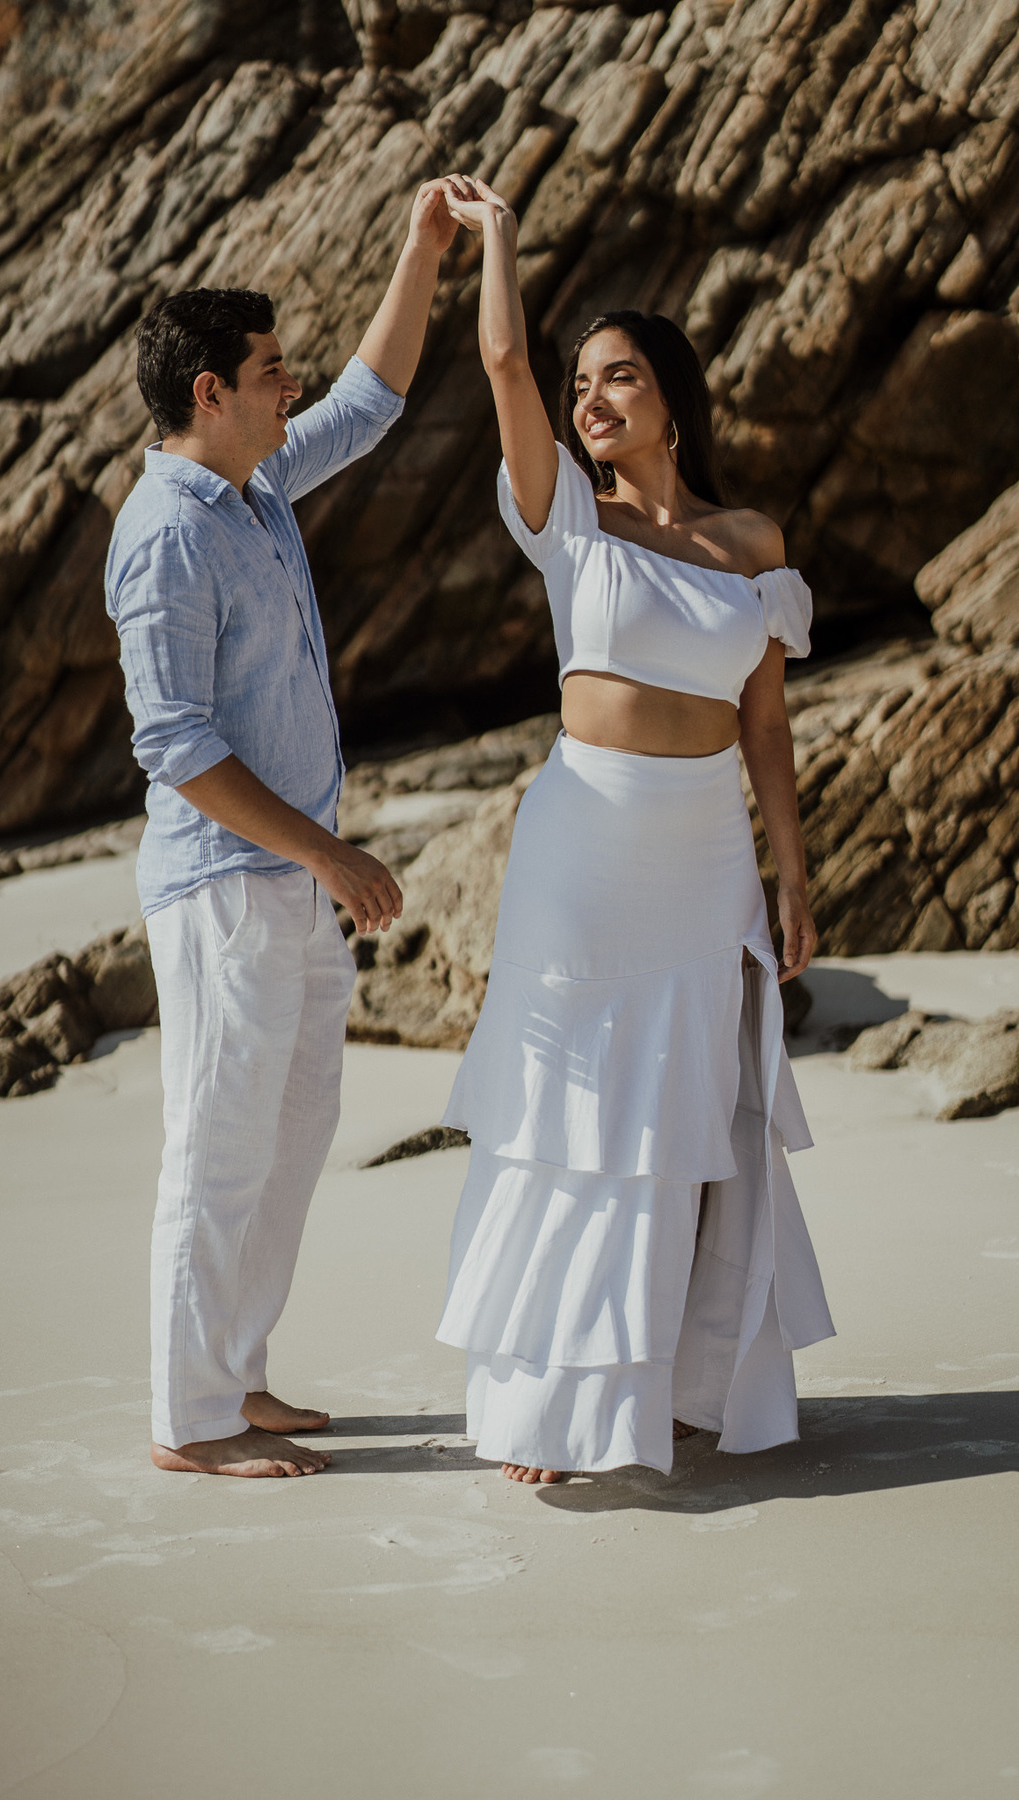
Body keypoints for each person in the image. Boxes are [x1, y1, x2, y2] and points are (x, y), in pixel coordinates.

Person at [435, 176, 835, 1485]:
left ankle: (654, 1383)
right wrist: (496, 235)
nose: (593, 400)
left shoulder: (750, 545)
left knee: (678, 1125)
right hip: (584, 853)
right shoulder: (568, 521)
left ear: (669, 392)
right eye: (581, 386)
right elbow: (500, 354)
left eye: (617, 377)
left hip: (706, 855)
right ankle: (544, 1405)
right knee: (567, 1115)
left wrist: (793, 872)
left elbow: (767, 731)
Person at [105, 181, 462, 1479]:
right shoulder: (163, 540)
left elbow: (366, 406)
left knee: (296, 1131)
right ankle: (188, 1423)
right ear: (211, 393)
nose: (288, 383)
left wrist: (420, 243)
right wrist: (329, 852)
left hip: (294, 883)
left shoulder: (253, 488)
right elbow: (177, 745)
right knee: (215, 1147)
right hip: (226, 887)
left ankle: (238, 1376)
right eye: (269, 371)